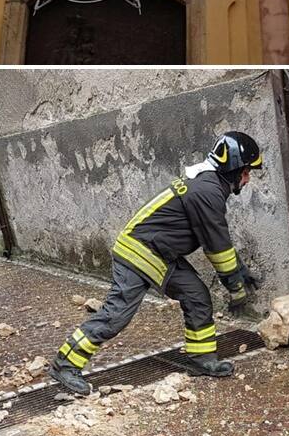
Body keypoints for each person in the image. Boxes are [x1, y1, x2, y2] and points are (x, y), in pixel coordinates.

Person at [49, 131, 264, 397]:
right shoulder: (208, 190)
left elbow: (216, 236)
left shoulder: (209, 185)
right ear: (233, 169)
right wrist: (236, 288)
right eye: (246, 171)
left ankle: (201, 359)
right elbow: (217, 247)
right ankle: (65, 364)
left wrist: (240, 269)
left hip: (161, 253)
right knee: (116, 315)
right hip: (138, 252)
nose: (248, 178)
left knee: (196, 295)